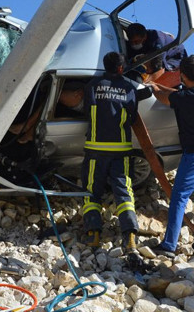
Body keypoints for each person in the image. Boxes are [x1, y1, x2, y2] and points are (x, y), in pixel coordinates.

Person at [148, 26, 194, 256]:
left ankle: (169, 244)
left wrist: (153, 87)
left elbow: (164, 97)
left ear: (182, 76)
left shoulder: (182, 98)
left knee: (179, 196)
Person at [80, 51, 151, 253]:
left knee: (92, 191)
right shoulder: (129, 88)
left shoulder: (93, 85)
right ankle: (129, 234)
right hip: (120, 149)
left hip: (95, 148)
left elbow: (87, 110)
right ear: (121, 68)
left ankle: (93, 233)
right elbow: (131, 116)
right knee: (123, 190)